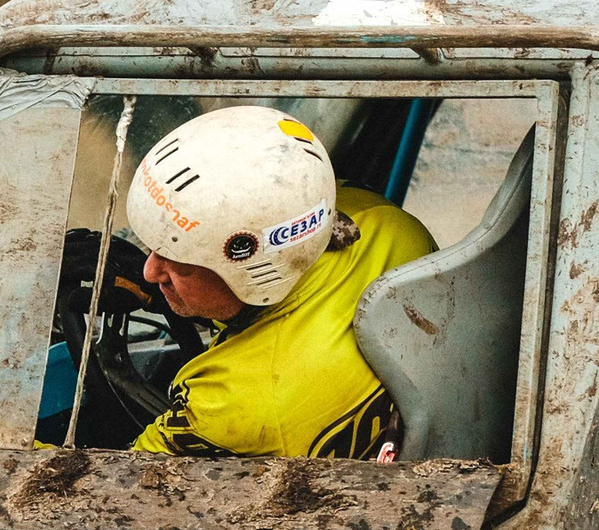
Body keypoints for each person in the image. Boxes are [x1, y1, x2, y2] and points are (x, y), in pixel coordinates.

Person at [120, 105, 435, 459]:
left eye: (179, 263)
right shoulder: (386, 223)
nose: (148, 272)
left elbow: (109, 486)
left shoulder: (229, 405)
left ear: (256, 276)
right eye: (152, 249)